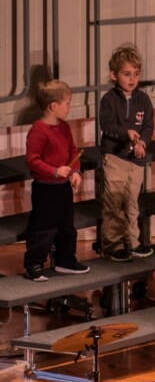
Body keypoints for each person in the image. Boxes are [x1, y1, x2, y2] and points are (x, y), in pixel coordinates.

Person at [23, 80, 88, 281]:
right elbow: (32, 160)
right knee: (44, 228)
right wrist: (54, 171)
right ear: (53, 106)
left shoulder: (65, 127)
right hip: (45, 189)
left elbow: (72, 152)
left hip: (63, 188)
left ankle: (65, 260)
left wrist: (75, 172)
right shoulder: (38, 130)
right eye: (67, 103)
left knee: (67, 226)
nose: (69, 107)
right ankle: (34, 263)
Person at [98, 46, 155, 261]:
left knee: (132, 203)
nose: (132, 79)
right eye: (126, 74)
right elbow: (107, 125)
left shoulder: (143, 99)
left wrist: (143, 142)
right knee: (114, 202)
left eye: (136, 74)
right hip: (115, 157)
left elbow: (148, 126)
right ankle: (113, 244)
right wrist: (126, 133)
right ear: (114, 75)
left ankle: (134, 242)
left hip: (136, 159)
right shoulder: (109, 100)